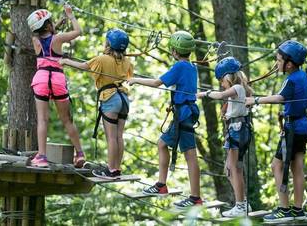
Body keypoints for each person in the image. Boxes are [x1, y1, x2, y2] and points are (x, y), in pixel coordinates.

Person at [128, 31, 202, 209]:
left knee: (186, 153)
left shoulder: (180, 67)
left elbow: (156, 83)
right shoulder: (192, 67)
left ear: (175, 51)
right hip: (186, 112)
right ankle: (167, 186)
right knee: (168, 146)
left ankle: (190, 196)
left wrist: (135, 80)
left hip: (183, 114)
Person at [245, 40, 307, 222]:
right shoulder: (303, 76)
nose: (276, 64)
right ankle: (298, 209)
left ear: (289, 63)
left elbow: (279, 98)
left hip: (292, 129)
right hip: (303, 127)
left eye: (278, 61)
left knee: (276, 165)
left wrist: (255, 100)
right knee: (297, 167)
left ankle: (284, 209)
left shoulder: (291, 79)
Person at [60, 29, 133, 179]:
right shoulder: (127, 61)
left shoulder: (102, 59)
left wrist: (65, 61)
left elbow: (84, 66)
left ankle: (111, 170)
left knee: (111, 137)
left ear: (109, 43)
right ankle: (116, 168)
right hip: (124, 98)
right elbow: (127, 76)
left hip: (110, 97)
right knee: (119, 136)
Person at [27, 5, 85, 168]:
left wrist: (57, 23)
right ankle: (79, 153)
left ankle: (42, 157)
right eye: (51, 21)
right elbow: (78, 32)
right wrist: (70, 16)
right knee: (67, 120)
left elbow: (47, 34)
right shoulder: (58, 39)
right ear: (47, 25)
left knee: (42, 120)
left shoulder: (35, 40)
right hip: (57, 79)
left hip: (41, 78)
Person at [197, 57, 253, 217]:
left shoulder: (236, 87)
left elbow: (221, 94)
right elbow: (229, 100)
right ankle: (242, 202)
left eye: (222, 80)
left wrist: (204, 93)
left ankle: (241, 205)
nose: (222, 83)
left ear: (228, 77)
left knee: (233, 168)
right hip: (237, 130)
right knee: (230, 169)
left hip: (238, 130)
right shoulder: (239, 90)